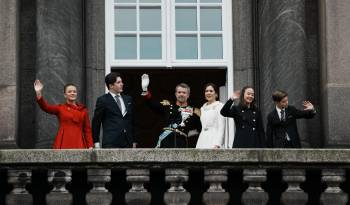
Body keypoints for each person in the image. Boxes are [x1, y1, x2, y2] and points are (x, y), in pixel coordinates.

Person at [141, 74, 201, 148]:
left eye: (184, 93)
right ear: (175, 94)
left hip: (181, 143)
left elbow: (201, 128)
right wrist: (145, 90)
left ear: (188, 95)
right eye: (179, 92)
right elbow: (151, 103)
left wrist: (190, 133)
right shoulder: (168, 106)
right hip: (165, 142)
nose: (181, 94)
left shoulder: (194, 111)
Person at [34, 80, 93, 149]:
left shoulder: (83, 110)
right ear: (65, 95)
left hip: (79, 141)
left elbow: (87, 130)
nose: (72, 93)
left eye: (74, 91)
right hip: (64, 140)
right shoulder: (60, 108)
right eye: (69, 91)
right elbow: (46, 107)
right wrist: (38, 92)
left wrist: (90, 146)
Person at [92, 72, 137, 148]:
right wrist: (96, 142)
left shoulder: (128, 99)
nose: (122, 84)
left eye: (121, 82)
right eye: (118, 82)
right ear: (111, 85)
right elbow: (96, 123)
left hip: (128, 142)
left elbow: (133, 121)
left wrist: (134, 141)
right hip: (111, 142)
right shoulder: (103, 100)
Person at [196, 83, 226, 149]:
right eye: (206, 91)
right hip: (202, 139)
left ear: (216, 94)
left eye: (211, 91)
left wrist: (218, 144)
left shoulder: (220, 106)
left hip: (214, 139)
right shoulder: (202, 108)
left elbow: (221, 127)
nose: (208, 93)